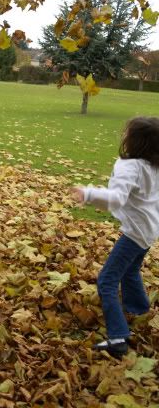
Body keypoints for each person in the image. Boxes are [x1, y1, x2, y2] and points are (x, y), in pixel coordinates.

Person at [71, 117, 159, 357]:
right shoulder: (154, 165)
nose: (123, 135)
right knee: (130, 272)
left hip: (135, 234)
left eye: (126, 133)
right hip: (149, 232)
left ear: (136, 141)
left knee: (107, 281)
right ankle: (140, 311)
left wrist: (88, 194)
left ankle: (118, 337)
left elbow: (118, 198)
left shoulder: (130, 166)